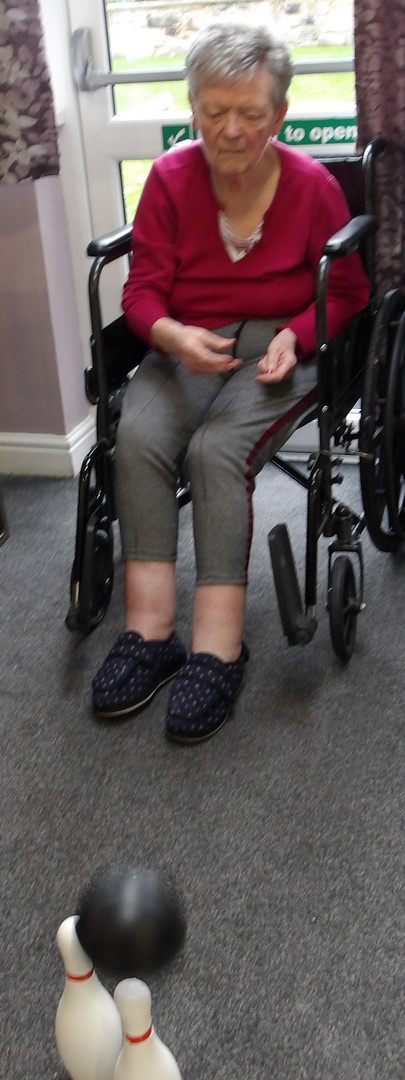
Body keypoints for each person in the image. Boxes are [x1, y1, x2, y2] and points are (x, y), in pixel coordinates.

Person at [92, 20, 370, 744]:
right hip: (187, 343)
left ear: (279, 114)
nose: (231, 129)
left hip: (281, 347)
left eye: (250, 112)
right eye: (214, 111)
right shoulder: (169, 179)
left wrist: (294, 335)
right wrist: (168, 335)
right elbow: (142, 291)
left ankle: (218, 647)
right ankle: (151, 633)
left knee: (215, 451)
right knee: (138, 438)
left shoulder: (311, 188)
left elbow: (348, 293)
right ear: (193, 108)